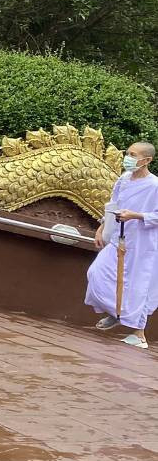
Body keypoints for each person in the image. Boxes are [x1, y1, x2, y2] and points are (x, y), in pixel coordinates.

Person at [87, 141, 158, 349]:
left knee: (137, 285)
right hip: (119, 237)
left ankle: (139, 335)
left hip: (143, 243)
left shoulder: (154, 185)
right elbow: (113, 205)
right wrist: (101, 227)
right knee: (96, 273)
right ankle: (115, 312)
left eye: (133, 154)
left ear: (146, 160)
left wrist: (135, 215)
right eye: (128, 153)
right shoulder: (124, 179)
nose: (128, 157)